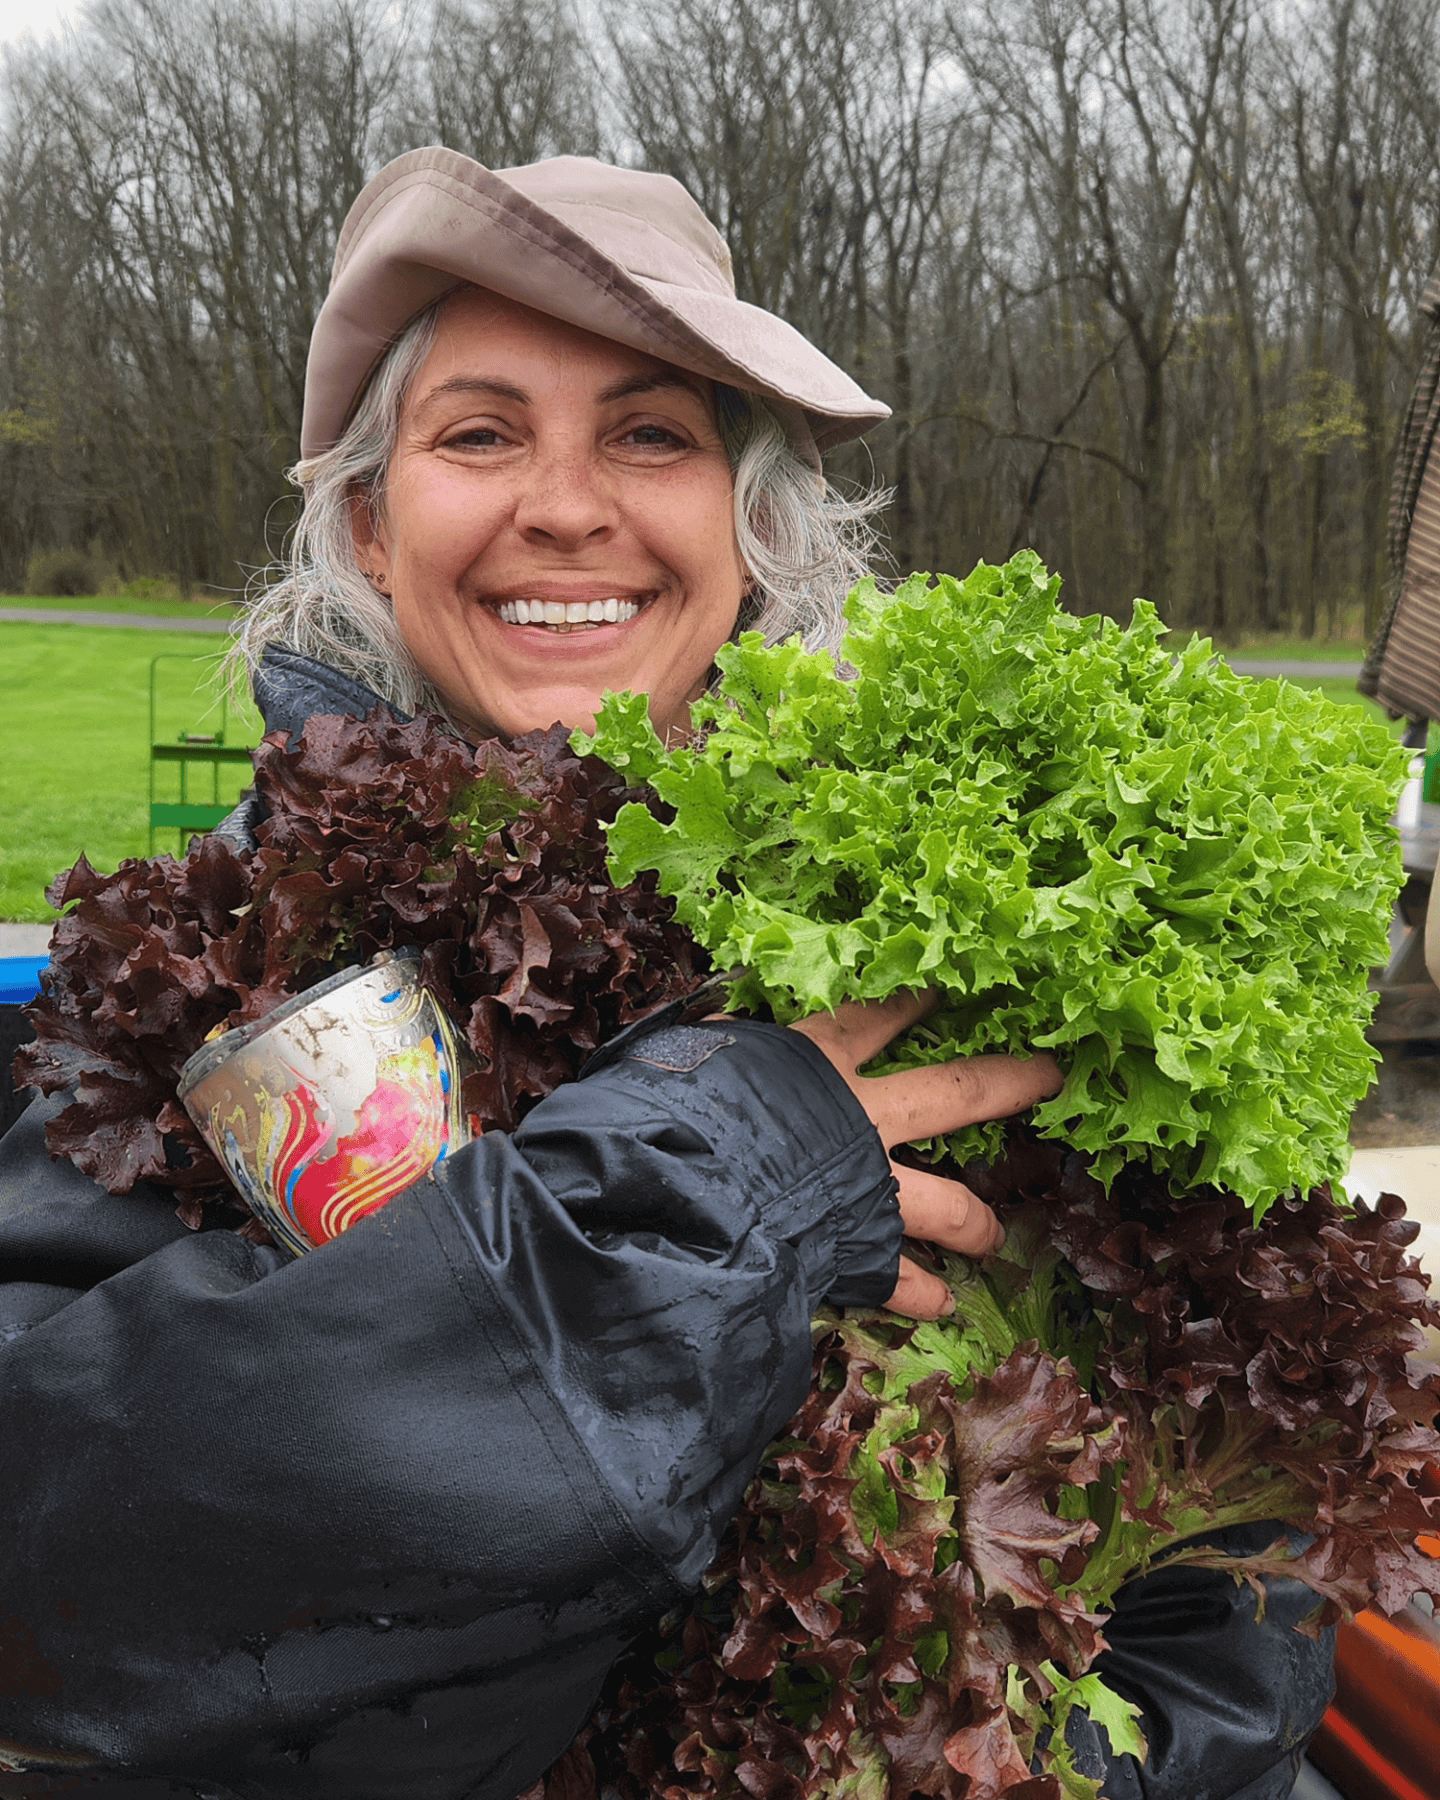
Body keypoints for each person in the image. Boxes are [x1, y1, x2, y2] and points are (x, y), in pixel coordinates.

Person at [0, 150, 1331, 1799]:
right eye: (480, 433)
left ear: (753, 524)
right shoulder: (211, 977)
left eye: (651, 434)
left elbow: (1237, 1515)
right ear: (369, 517)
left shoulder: (962, 931)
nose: (566, 506)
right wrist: (725, 1173)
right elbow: (61, 1552)